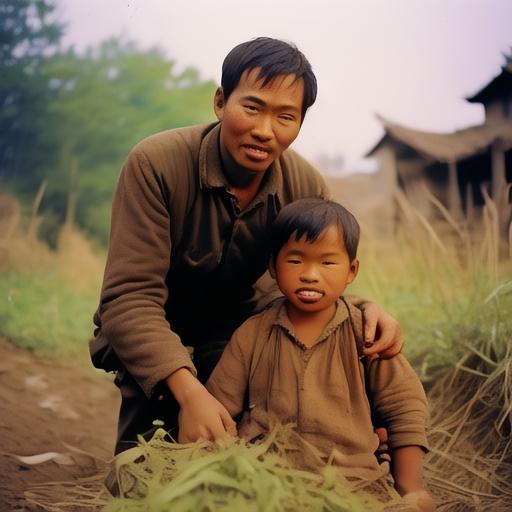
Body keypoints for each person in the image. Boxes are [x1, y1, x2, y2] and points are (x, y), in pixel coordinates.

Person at [90, 37, 404, 455]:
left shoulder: (306, 187)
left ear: (300, 124)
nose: (264, 130)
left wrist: (364, 310)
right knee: (145, 468)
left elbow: (305, 283)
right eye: (252, 107)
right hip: (155, 329)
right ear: (221, 101)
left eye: (285, 117)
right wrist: (190, 393)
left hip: (241, 335)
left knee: (252, 445)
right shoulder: (156, 164)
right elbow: (128, 298)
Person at [206, 198, 434, 511]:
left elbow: (404, 405)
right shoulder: (253, 334)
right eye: (296, 261)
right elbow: (218, 409)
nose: (310, 275)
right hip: (265, 485)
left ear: (351, 271)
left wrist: (411, 488)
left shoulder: (364, 333)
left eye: (327, 263)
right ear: (273, 266)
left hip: (354, 485)